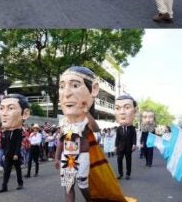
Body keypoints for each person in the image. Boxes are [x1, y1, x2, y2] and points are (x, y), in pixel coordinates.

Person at [55, 66, 128, 202]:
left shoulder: (84, 119)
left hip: (82, 156)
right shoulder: (63, 121)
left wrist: (86, 111)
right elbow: (61, 140)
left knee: (83, 186)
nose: (66, 93)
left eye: (75, 85)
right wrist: (57, 157)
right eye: (62, 86)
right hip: (67, 156)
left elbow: (95, 129)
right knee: (68, 186)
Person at [0, 93, 29, 193]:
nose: (4, 113)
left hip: (15, 154)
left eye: (11, 108)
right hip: (7, 153)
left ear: (24, 114)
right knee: (6, 170)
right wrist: (3, 151)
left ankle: (20, 183)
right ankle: (4, 186)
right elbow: (4, 143)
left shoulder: (18, 131)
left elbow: (18, 143)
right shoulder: (6, 132)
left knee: (18, 169)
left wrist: (16, 153)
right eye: (1, 108)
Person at [113, 94, 137, 179]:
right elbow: (117, 138)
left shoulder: (132, 128)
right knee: (119, 160)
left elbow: (134, 137)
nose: (122, 112)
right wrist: (115, 146)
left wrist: (134, 144)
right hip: (120, 147)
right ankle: (120, 173)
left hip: (129, 147)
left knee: (128, 161)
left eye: (127, 107)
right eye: (117, 108)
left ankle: (128, 174)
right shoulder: (119, 128)